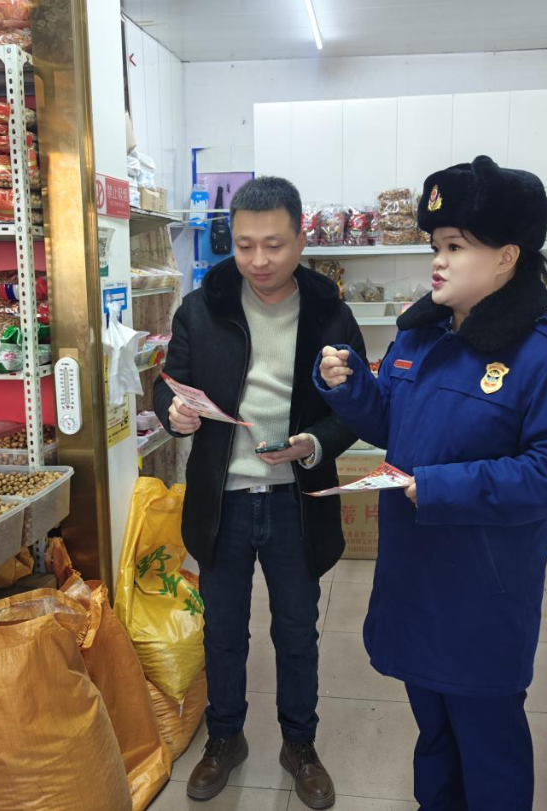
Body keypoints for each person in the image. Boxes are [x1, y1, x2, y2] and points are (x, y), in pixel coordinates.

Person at [314, 157, 547, 811]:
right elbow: (393, 422)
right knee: (435, 730)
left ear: (506, 257)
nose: (438, 263)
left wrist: (443, 487)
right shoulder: (422, 336)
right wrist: (351, 386)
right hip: (414, 576)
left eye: (454, 247)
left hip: (482, 590)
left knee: (489, 740)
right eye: (435, 247)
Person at [153, 175, 366, 809]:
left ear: (301, 239)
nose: (259, 260)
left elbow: (356, 407)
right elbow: (169, 384)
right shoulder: (202, 308)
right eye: (245, 245)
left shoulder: (330, 313)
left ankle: (300, 744)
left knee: (297, 631)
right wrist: (174, 413)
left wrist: (315, 442)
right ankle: (225, 738)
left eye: (274, 245)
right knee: (223, 631)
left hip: (295, 501)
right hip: (222, 501)